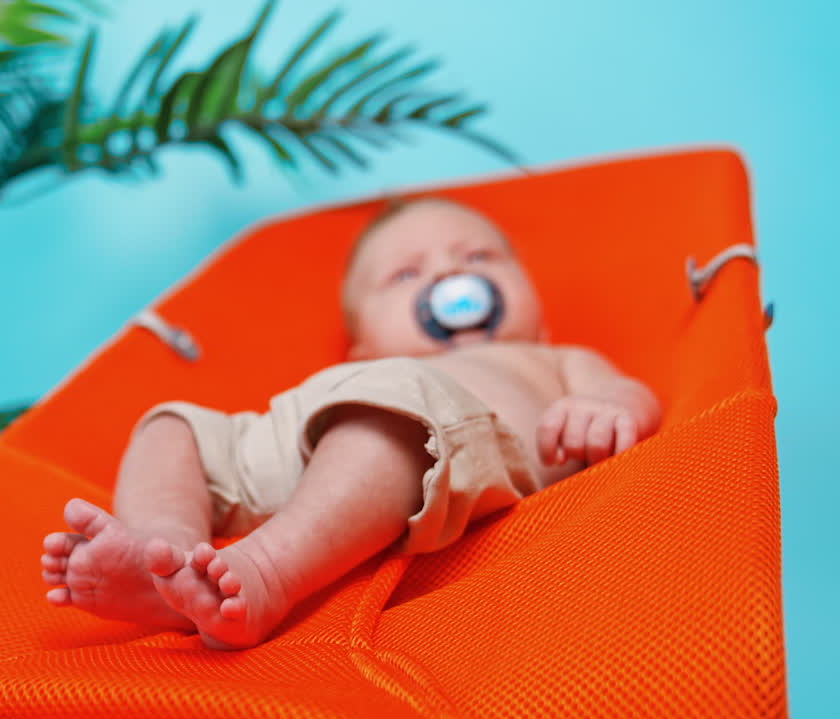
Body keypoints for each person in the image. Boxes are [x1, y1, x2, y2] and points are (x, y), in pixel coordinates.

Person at [40, 197, 661, 649]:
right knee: (171, 426)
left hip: (441, 440)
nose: (450, 277)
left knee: (388, 423)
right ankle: (164, 556)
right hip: (307, 426)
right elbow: (353, 398)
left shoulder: (552, 357)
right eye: (407, 275)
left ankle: (269, 571)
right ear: (361, 346)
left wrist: (606, 410)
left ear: (539, 313)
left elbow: (628, 393)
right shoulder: (375, 370)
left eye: (479, 257)